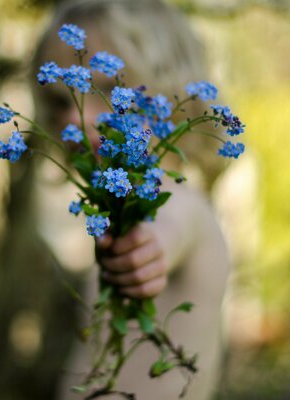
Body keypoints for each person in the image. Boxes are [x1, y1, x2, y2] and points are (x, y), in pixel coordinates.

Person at [30, 1, 231, 399]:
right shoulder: (120, 219)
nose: (75, 118)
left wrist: (148, 251)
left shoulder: (179, 205)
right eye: (60, 101)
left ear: (167, 91)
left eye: (105, 90)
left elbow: (168, 227)